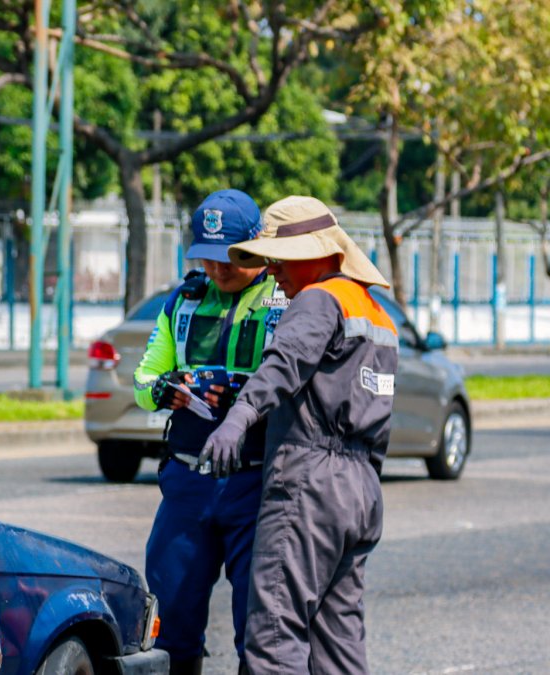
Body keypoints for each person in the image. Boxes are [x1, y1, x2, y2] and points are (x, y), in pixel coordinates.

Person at [198, 195, 398, 674]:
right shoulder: (377, 315)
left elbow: (283, 363)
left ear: (321, 254)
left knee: (274, 638)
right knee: (339, 645)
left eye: (283, 260)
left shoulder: (317, 300)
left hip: (310, 483)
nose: (273, 272)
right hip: (361, 493)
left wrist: (239, 415)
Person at [132, 189, 286, 675]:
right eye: (210, 258)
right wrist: (165, 389)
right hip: (188, 484)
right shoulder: (184, 301)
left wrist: (245, 392)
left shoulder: (285, 300)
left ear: (258, 248)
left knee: (259, 627)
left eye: (233, 259)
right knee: (172, 618)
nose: (220, 270)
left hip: (254, 484)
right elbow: (142, 380)